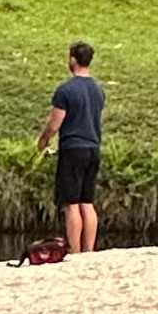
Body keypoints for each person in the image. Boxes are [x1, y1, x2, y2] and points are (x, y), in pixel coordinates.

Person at [41, 41, 105, 257]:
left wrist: (43, 141)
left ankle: (76, 251)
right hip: (93, 147)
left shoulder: (66, 90)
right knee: (88, 202)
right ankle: (90, 250)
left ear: (73, 60)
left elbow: (54, 124)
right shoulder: (98, 90)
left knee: (71, 203)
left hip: (72, 148)